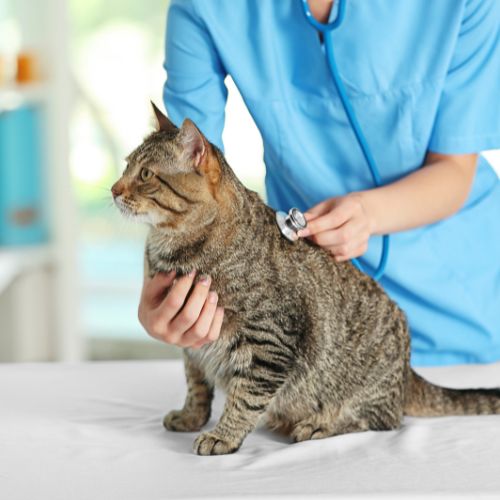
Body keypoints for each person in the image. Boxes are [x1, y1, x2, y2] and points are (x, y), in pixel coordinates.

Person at [138, 0, 500, 366]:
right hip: (311, 325)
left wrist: (368, 213)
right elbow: (182, 175)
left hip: (461, 312)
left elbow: (454, 169)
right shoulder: (203, 8)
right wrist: (160, 290)